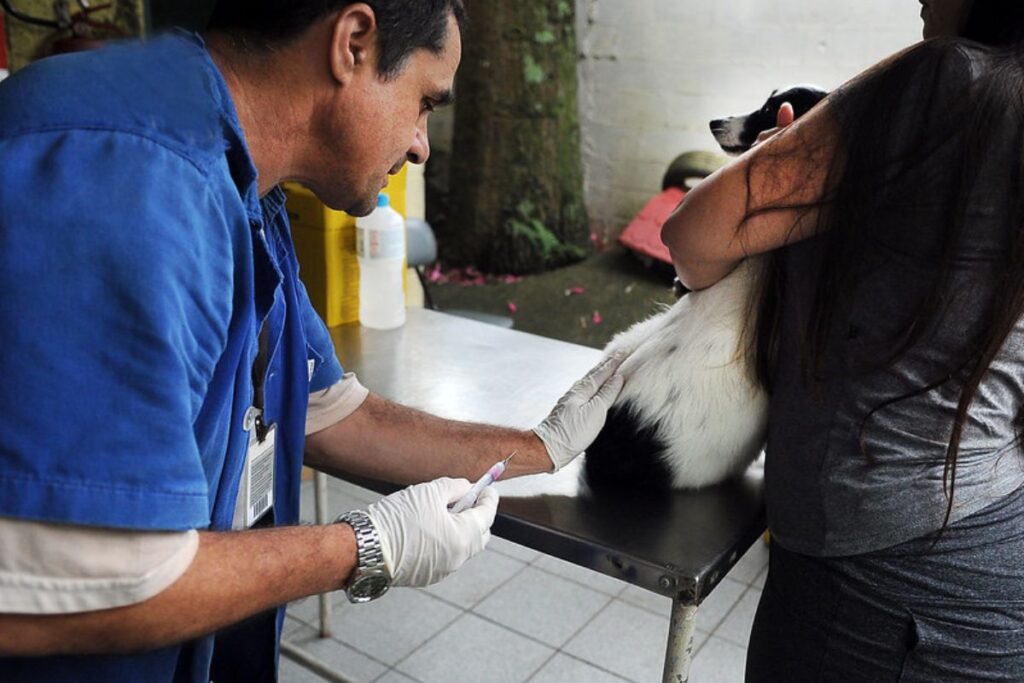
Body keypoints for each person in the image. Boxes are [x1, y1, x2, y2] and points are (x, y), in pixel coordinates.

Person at [0, 1, 624, 680]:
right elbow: (74, 583)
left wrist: (543, 446)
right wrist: (364, 544)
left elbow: (332, 408)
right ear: (352, 43)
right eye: (423, 102)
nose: (419, 142)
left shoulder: (244, 182)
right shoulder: (128, 178)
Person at [663, 0, 1024, 680]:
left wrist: (809, 186)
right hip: (991, 556)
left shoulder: (948, 78)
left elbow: (693, 236)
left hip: (876, 587)